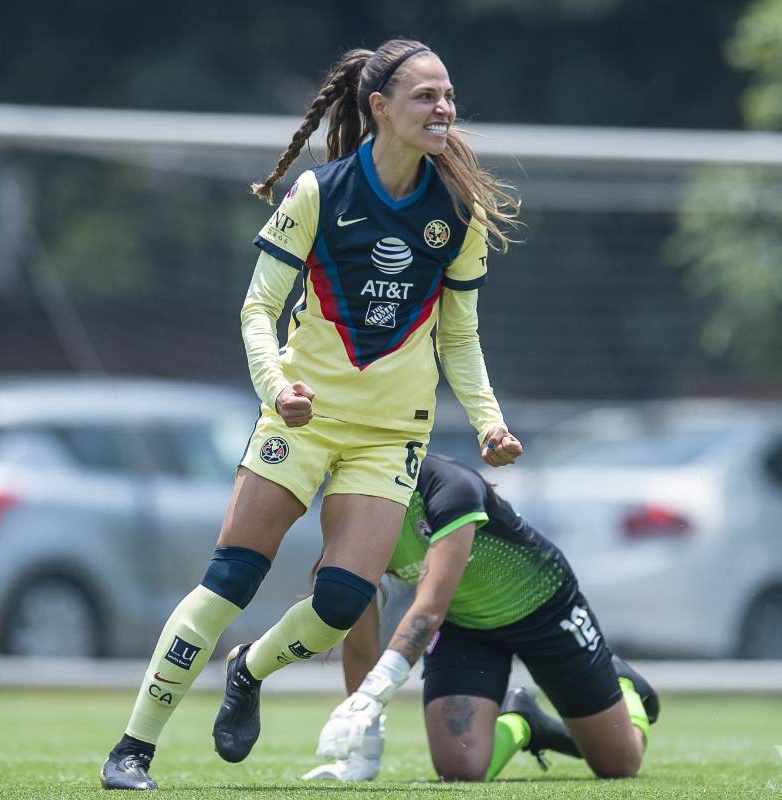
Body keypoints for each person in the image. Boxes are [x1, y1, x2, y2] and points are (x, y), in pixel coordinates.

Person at [99, 38, 524, 790]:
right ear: (380, 108)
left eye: (449, 95)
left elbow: (460, 334)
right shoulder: (319, 193)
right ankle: (134, 748)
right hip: (303, 419)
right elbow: (258, 308)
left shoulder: (456, 211)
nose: (445, 109)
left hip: (391, 435)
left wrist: (488, 419)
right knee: (229, 580)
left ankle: (250, 670)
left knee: (340, 603)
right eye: (427, 96)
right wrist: (277, 390)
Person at [302, 454, 659, 783]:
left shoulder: (448, 485)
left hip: (545, 608)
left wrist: (371, 696)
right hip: (464, 626)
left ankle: (624, 686)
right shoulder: (349, 518)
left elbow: (428, 610)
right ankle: (522, 721)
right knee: (459, 769)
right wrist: (366, 752)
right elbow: (362, 644)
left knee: (618, 765)